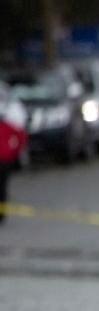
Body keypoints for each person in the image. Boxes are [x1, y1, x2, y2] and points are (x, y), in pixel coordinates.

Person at [0, 81, 28, 225]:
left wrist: (14, 153)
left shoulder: (7, 126)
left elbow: (21, 136)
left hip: (4, 161)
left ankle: (1, 213)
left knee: (2, 186)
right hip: (6, 159)